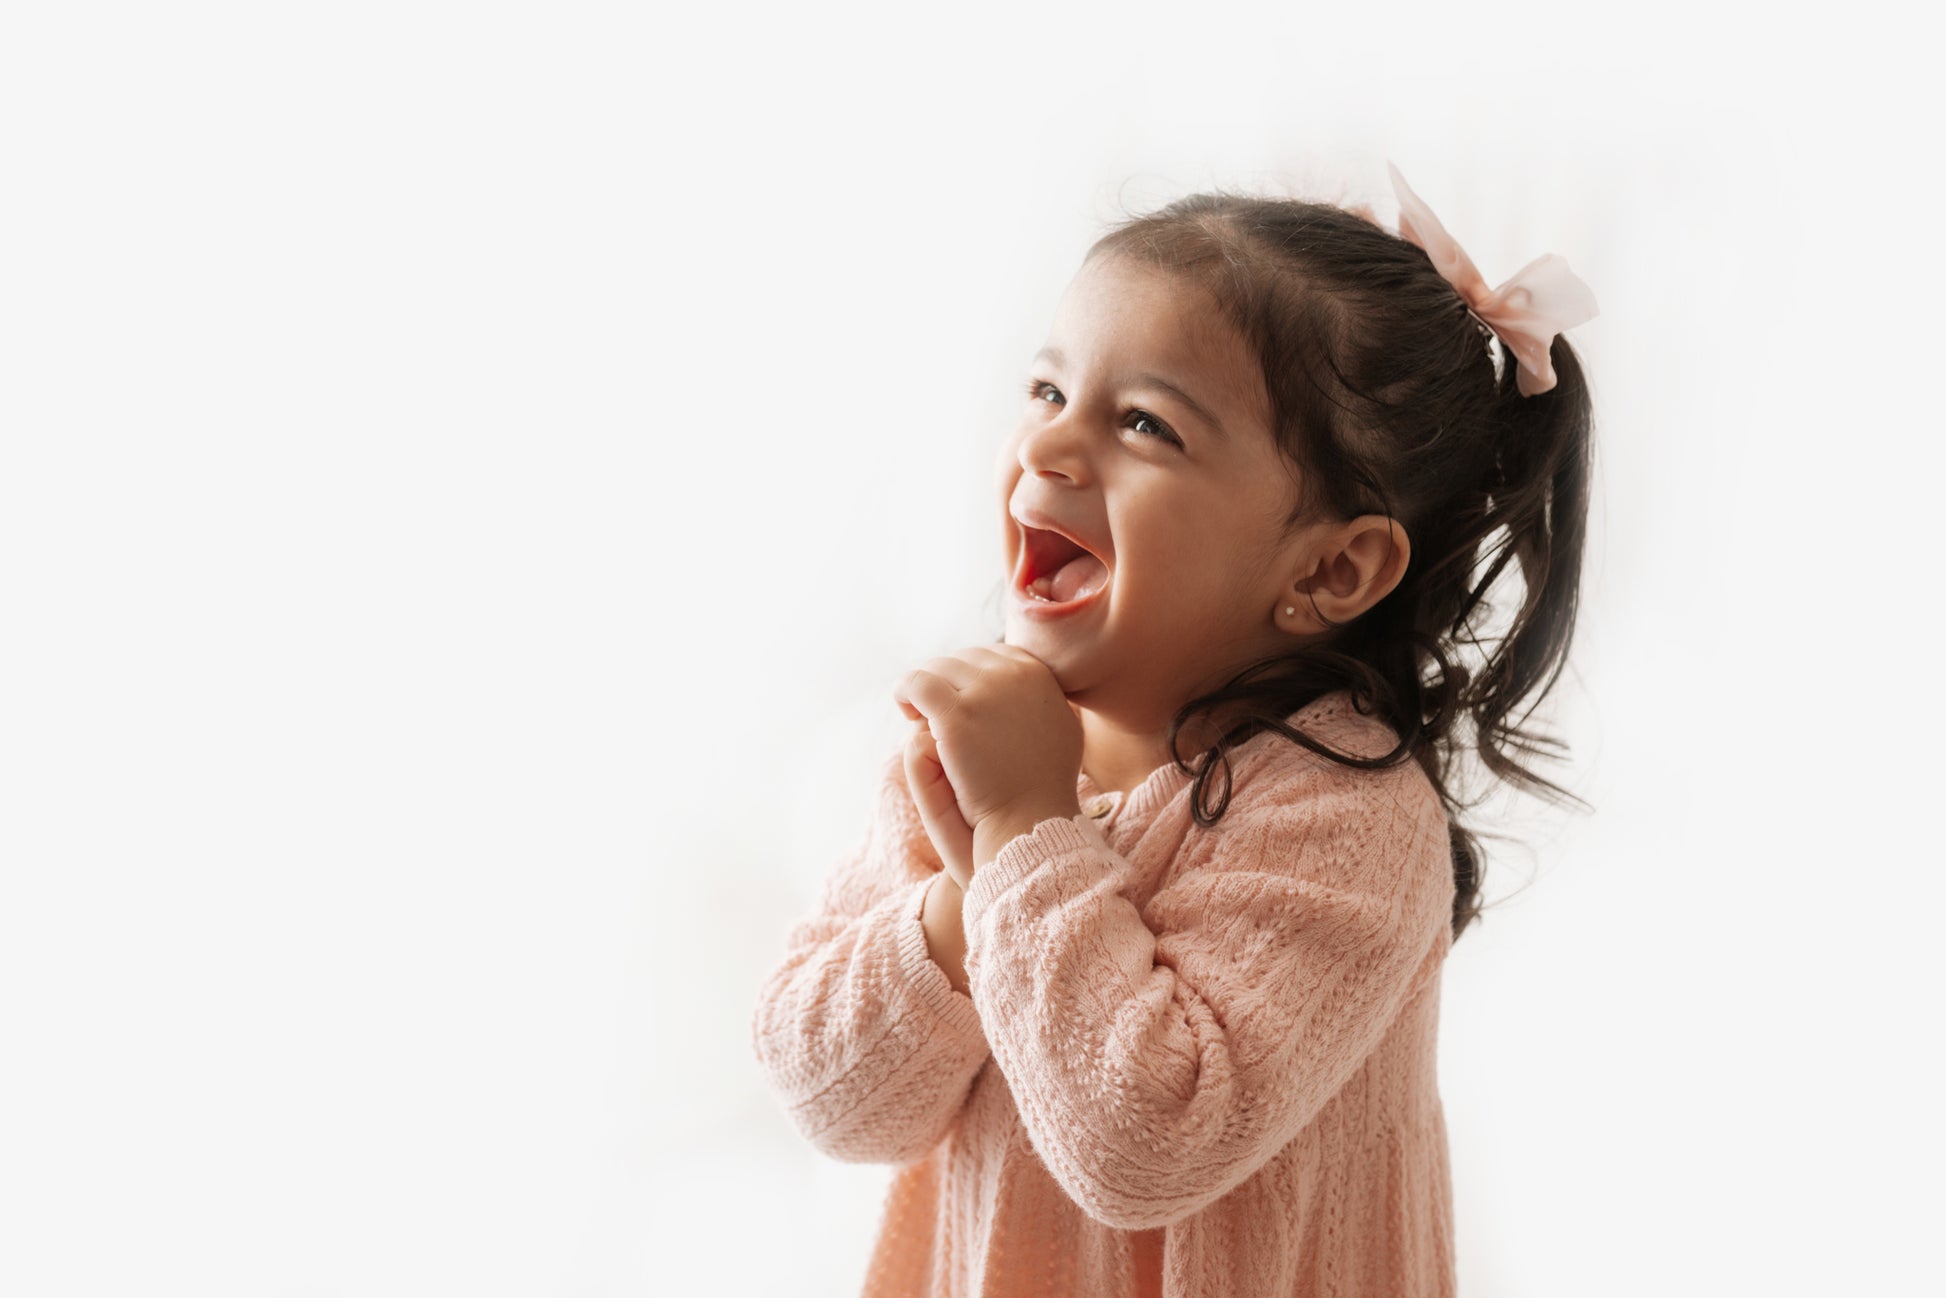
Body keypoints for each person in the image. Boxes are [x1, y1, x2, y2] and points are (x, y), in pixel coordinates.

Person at [750, 161, 1599, 1297]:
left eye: (1143, 422)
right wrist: (969, 891)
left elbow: (1145, 1143)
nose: (1048, 449)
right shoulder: (979, 751)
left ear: (1332, 566)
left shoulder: (1345, 813)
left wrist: (1020, 831)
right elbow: (834, 1099)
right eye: (1047, 393)